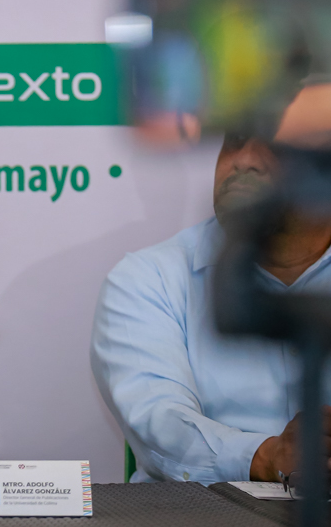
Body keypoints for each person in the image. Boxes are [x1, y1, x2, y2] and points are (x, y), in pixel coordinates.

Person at [91, 95, 331, 484]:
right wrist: (266, 457)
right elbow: (160, 424)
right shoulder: (148, 278)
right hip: (198, 514)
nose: (244, 161)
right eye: (234, 140)